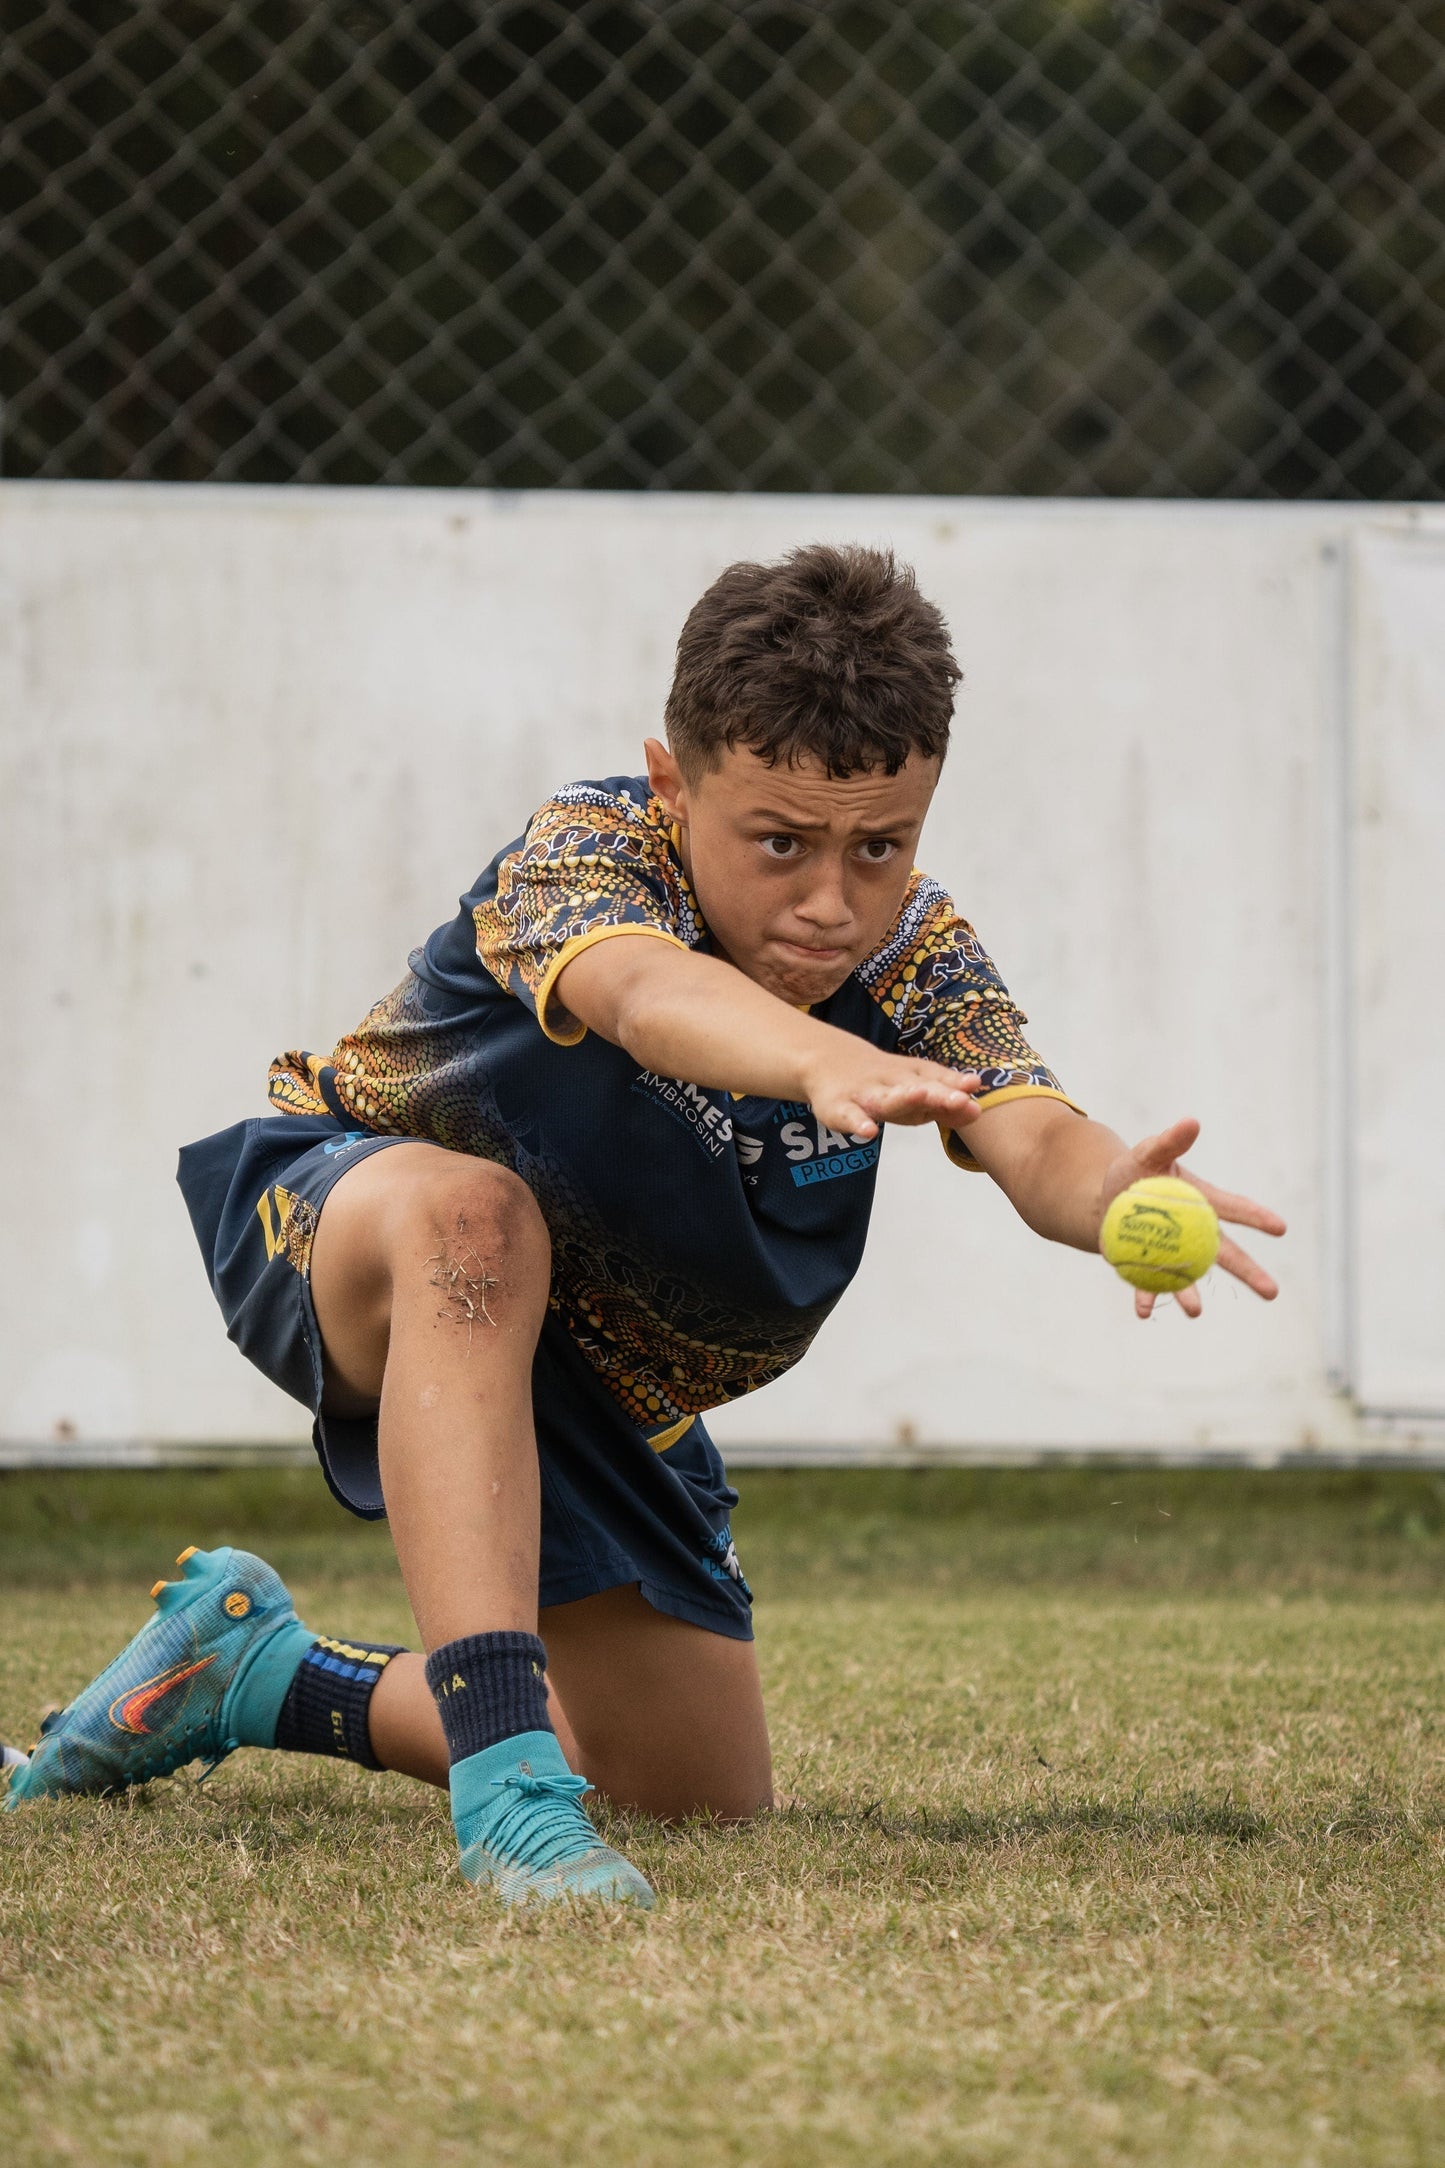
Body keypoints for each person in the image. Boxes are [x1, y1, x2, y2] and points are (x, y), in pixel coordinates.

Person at [5, 545, 1284, 1904]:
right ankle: (503, 1805)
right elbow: (635, 992)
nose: (829, 901)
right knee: (474, 1219)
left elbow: (1023, 1123)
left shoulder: (914, 952)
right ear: (676, 787)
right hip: (349, 1219)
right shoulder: (590, 850)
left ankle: (248, 1673)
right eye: (779, 842)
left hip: (605, 1389)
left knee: (687, 1798)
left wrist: (1108, 1194)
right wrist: (809, 1059)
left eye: (880, 845)